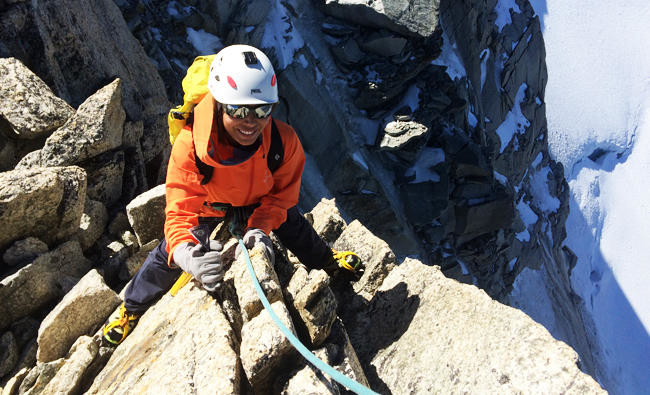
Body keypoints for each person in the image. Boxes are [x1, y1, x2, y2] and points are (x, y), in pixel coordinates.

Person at [103, 44, 363, 345]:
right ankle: (130, 308)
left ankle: (327, 262)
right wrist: (187, 253)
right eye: (238, 109)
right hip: (209, 207)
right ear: (218, 103)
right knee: (167, 255)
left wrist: (258, 228)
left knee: (292, 224)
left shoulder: (284, 143)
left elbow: (281, 198)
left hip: (256, 201)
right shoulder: (190, 144)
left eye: (261, 109)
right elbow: (179, 209)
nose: (250, 121)